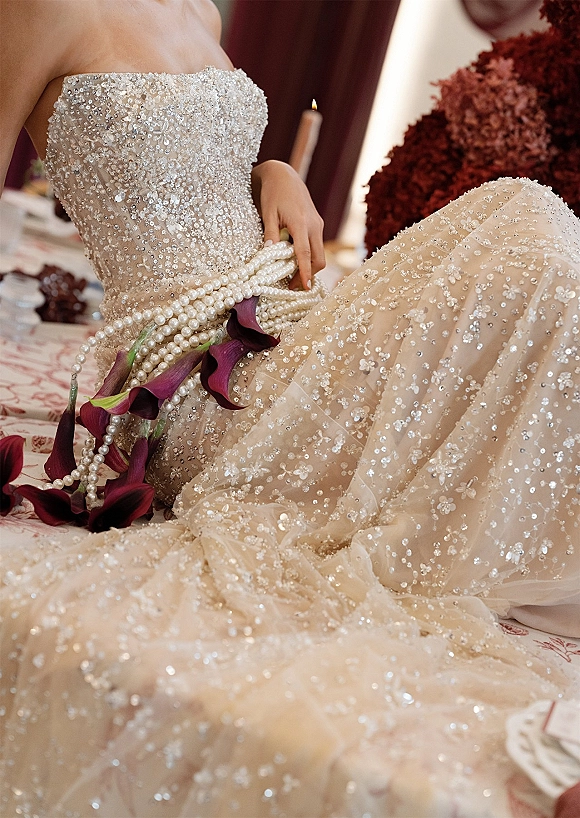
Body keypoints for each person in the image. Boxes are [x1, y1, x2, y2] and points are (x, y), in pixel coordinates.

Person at [1, 2, 578, 816]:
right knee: (528, 224)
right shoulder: (37, 8)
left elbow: (192, 153)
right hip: (196, 383)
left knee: (530, 231)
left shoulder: (196, 5)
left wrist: (271, 170)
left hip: (282, 321)